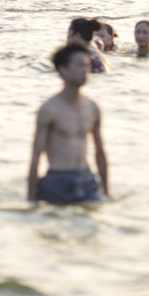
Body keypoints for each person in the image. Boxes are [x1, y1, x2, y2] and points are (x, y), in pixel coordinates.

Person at [27, 44, 108, 205]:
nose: (85, 71)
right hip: (57, 180)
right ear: (62, 70)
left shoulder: (92, 108)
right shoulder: (49, 109)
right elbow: (36, 155)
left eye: (86, 65)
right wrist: (30, 199)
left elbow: (100, 152)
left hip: (86, 179)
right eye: (79, 65)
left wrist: (106, 190)